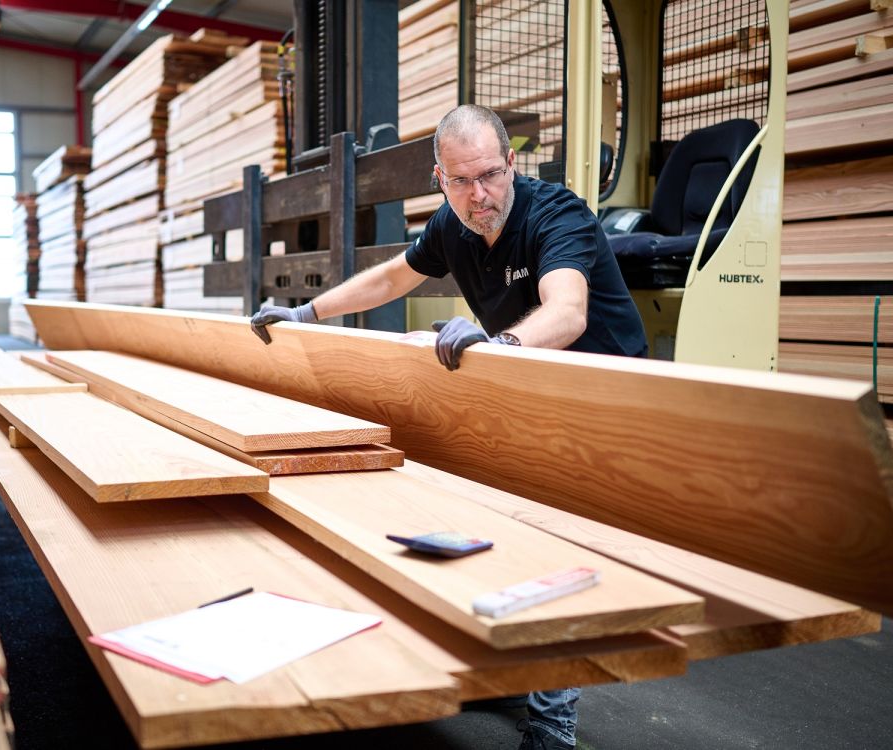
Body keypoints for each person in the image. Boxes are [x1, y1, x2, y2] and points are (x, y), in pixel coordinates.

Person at [251, 104, 648, 749]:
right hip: (524, 382)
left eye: (490, 175)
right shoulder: (452, 223)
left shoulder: (557, 215)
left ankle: (554, 719)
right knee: (498, 522)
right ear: (440, 178)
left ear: (511, 162)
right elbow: (393, 276)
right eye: (461, 181)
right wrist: (307, 313)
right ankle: (516, 668)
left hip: (600, 390)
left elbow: (568, 312)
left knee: (555, 537)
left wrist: (498, 346)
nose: (479, 194)